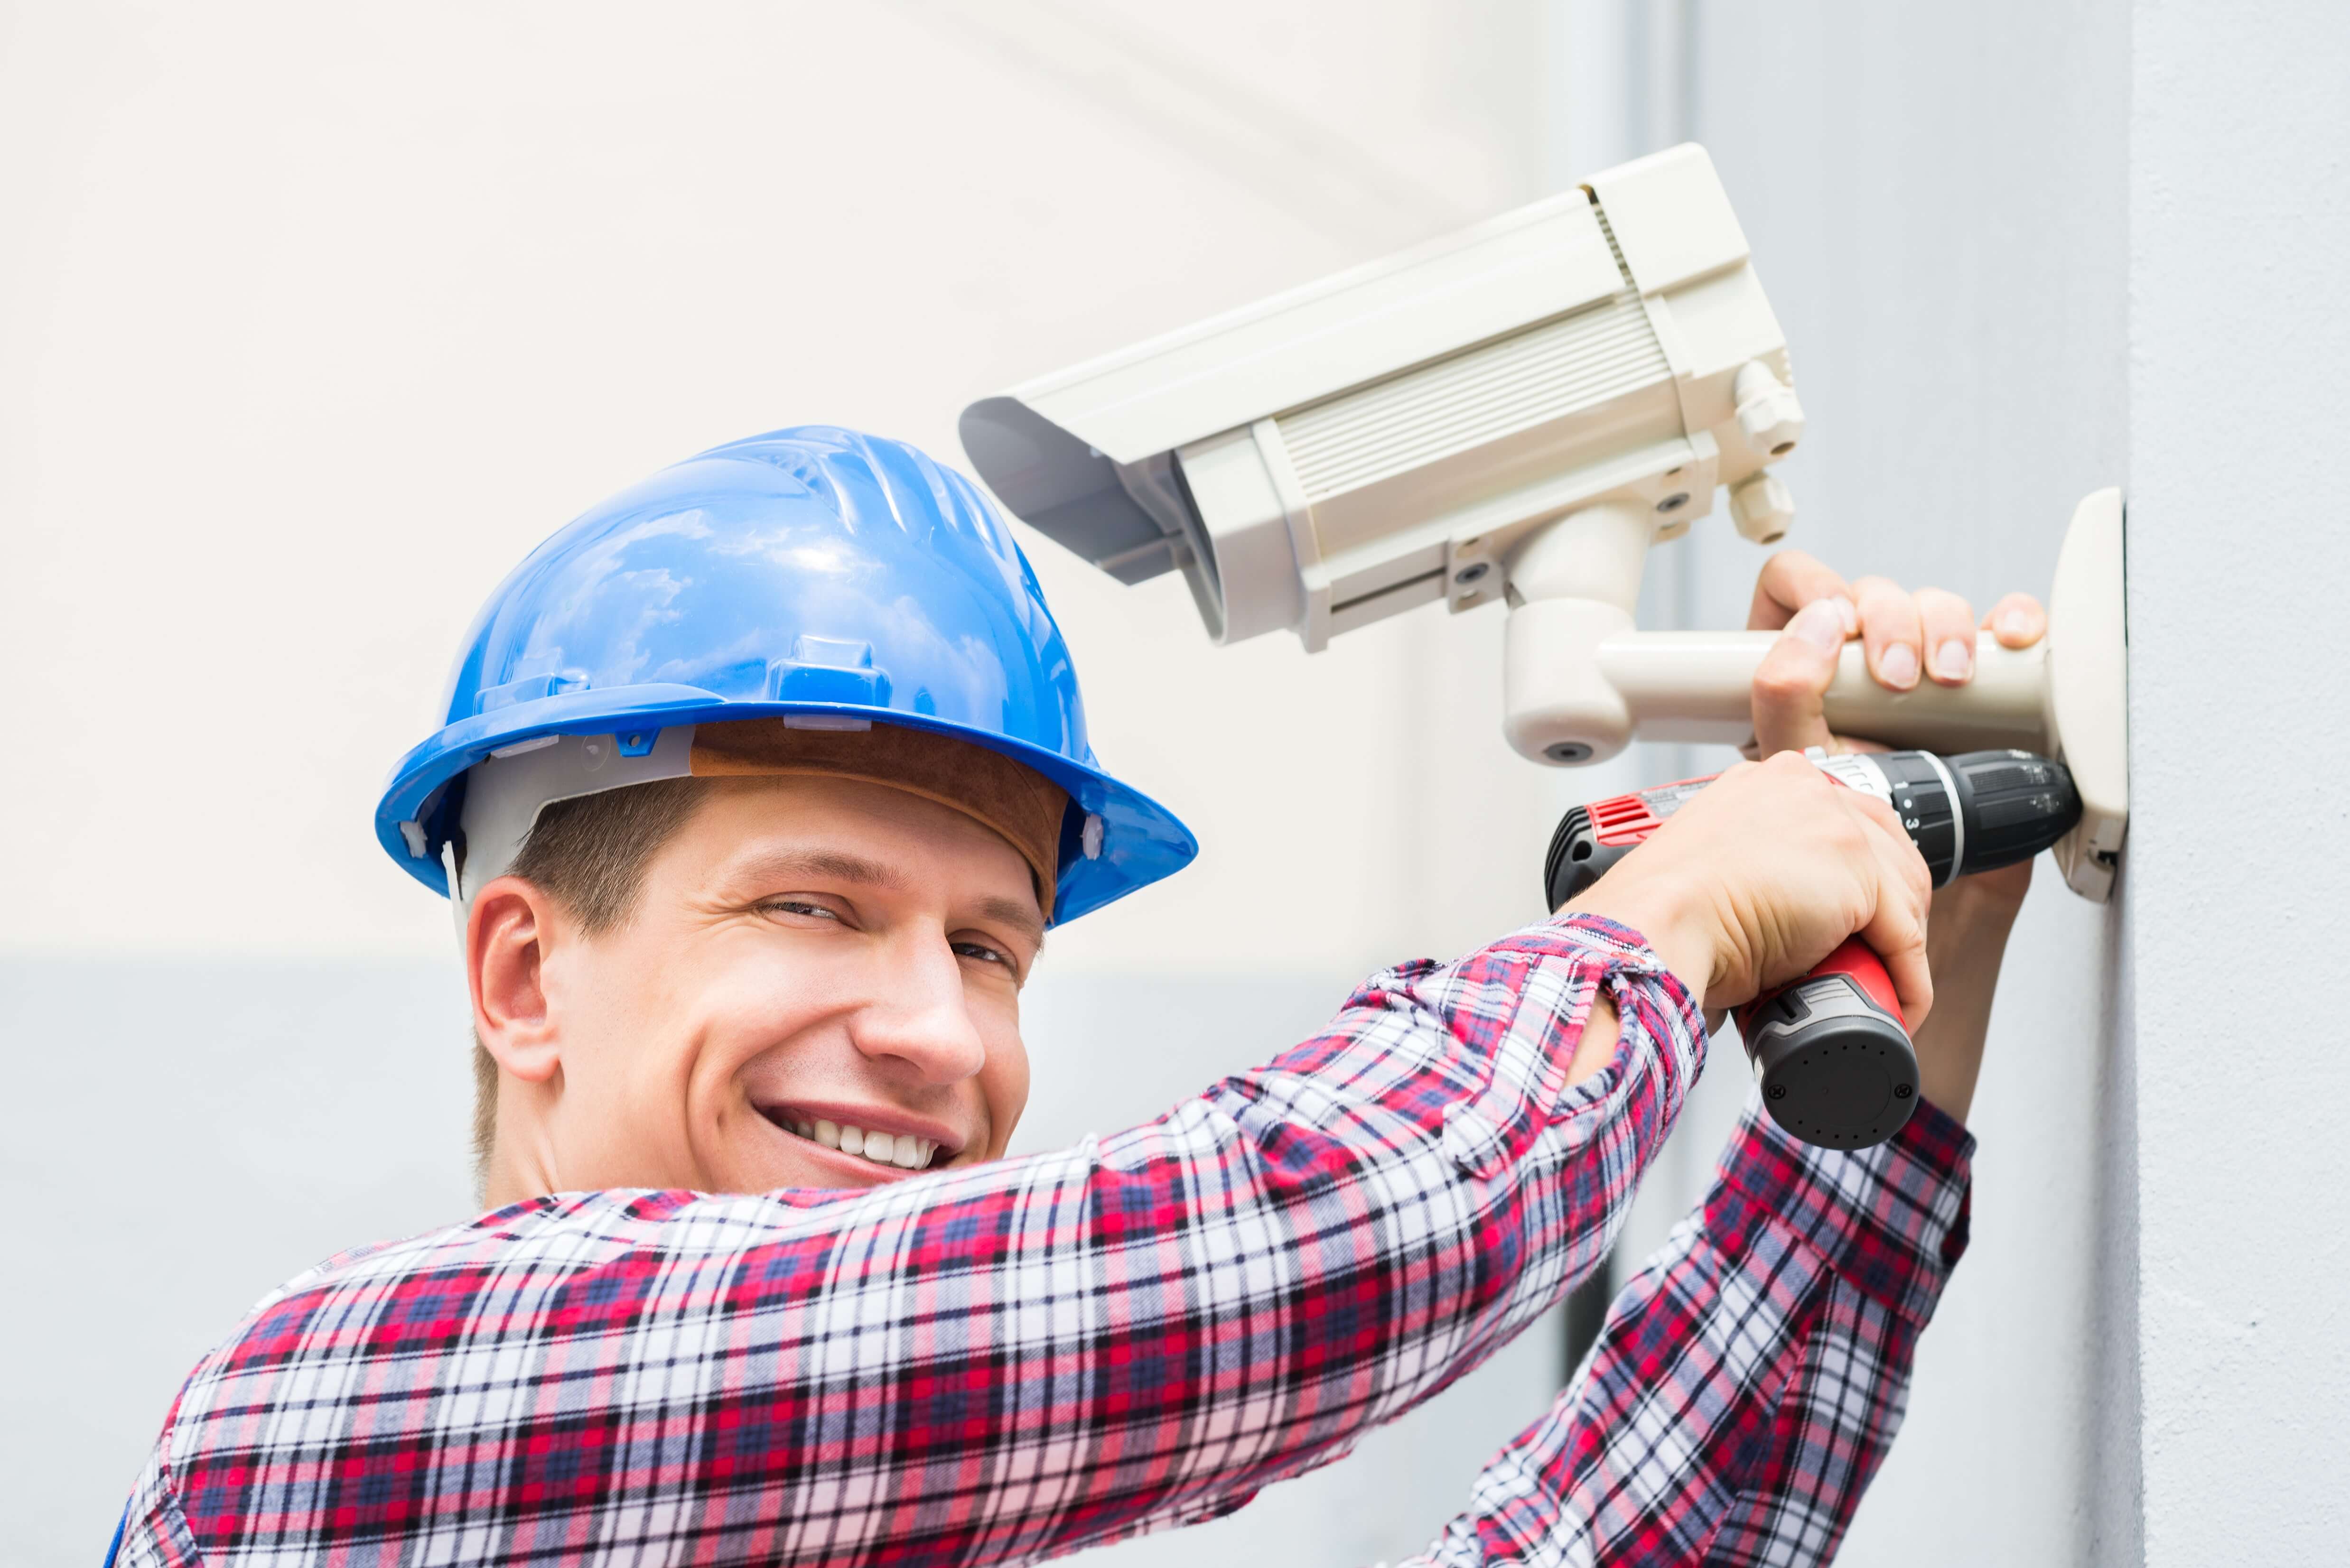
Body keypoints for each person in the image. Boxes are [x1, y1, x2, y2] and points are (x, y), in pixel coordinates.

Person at [110, 427, 2047, 1568]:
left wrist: (1910, 936)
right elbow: (1309, 1253)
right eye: (813, 902)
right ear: (523, 971)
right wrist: (1676, 911)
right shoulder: (346, 1417)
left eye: (986, 946)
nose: (939, 1035)